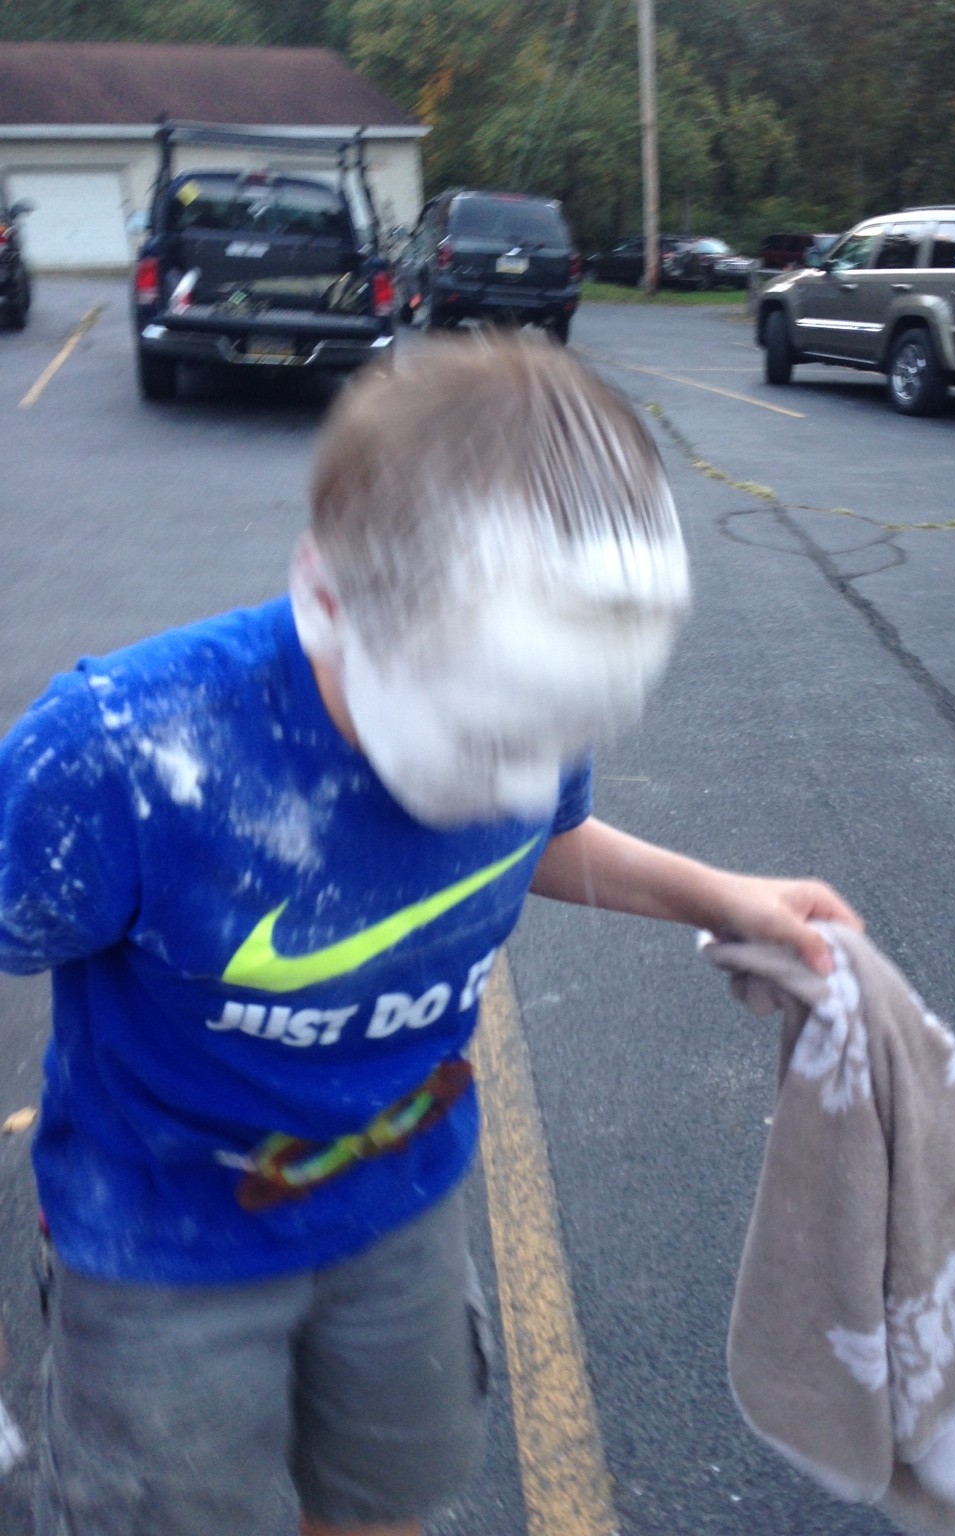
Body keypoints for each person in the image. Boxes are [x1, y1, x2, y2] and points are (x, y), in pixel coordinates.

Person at [0, 336, 861, 1536]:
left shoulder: (528, 687)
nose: (513, 780)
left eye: (555, 737)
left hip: (400, 1205)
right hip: (160, 1242)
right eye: (480, 737)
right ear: (328, 596)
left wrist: (720, 898)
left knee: (386, 1497)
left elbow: (549, 835)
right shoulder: (123, 759)